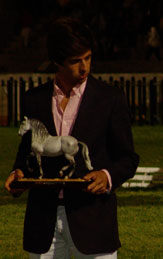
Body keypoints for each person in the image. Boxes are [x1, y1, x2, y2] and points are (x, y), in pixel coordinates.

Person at [4, 17, 139, 258]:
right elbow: (27, 154)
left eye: (88, 57)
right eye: (75, 61)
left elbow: (128, 158)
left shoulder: (110, 98)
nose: (84, 67)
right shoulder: (33, 99)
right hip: (43, 223)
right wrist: (18, 174)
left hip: (93, 219)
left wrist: (106, 176)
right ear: (57, 62)